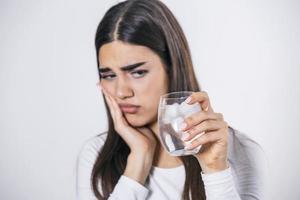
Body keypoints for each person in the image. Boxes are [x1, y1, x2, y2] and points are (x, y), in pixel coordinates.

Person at [76, 0, 267, 199]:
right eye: (108, 75)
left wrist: (215, 170)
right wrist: (137, 165)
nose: (122, 92)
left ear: (172, 67)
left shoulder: (241, 152)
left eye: (138, 72)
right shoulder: (96, 156)